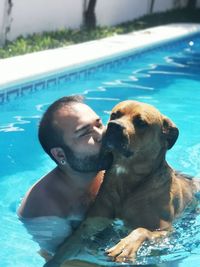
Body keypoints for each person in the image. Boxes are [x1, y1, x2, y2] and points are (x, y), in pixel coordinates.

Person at [18, 95, 111, 261]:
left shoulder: (107, 170)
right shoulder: (46, 209)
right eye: (85, 133)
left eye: (99, 124)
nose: (101, 135)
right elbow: (70, 261)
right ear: (60, 154)